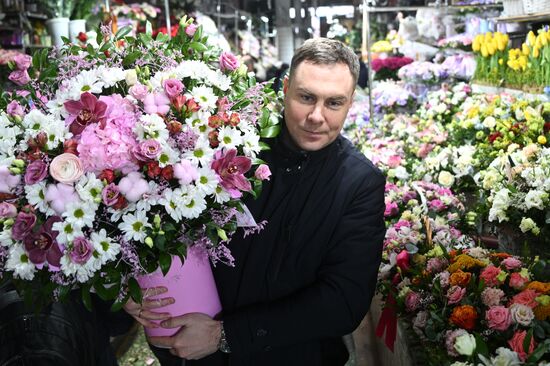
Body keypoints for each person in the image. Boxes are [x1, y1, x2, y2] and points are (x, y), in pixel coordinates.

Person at [126, 37, 386, 366]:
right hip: (193, 354)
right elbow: (163, 220)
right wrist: (134, 287)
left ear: (350, 103)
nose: (316, 116)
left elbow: (344, 301)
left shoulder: (360, 183)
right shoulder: (232, 146)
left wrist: (225, 335)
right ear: (286, 88)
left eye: (334, 103)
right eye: (306, 97)